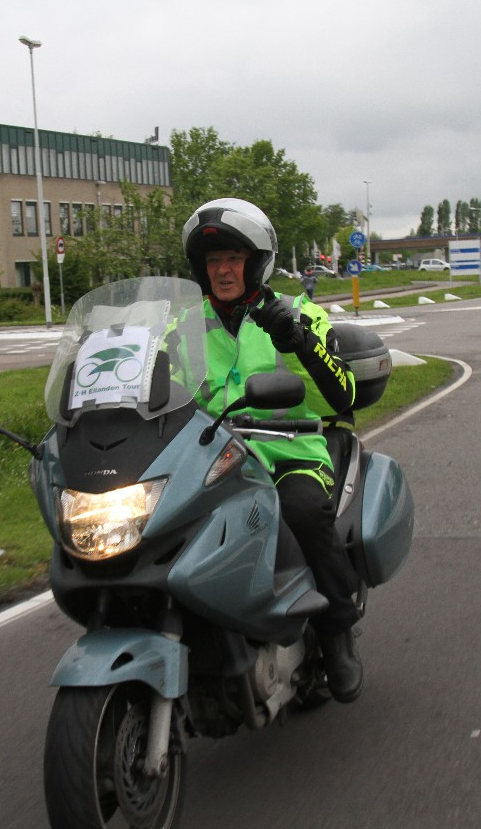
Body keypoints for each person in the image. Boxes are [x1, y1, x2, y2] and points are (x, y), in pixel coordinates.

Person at [181, 197, 365, 702]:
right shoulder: (183, 328)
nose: (223, 270)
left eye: (234, 258)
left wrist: (297, 341)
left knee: (303, 510)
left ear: (257, 262)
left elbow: (343, 395)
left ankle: (337, 633)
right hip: (211, 457)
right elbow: (158, 390)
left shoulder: (299, 313)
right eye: (213, 261)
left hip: (288, 452)